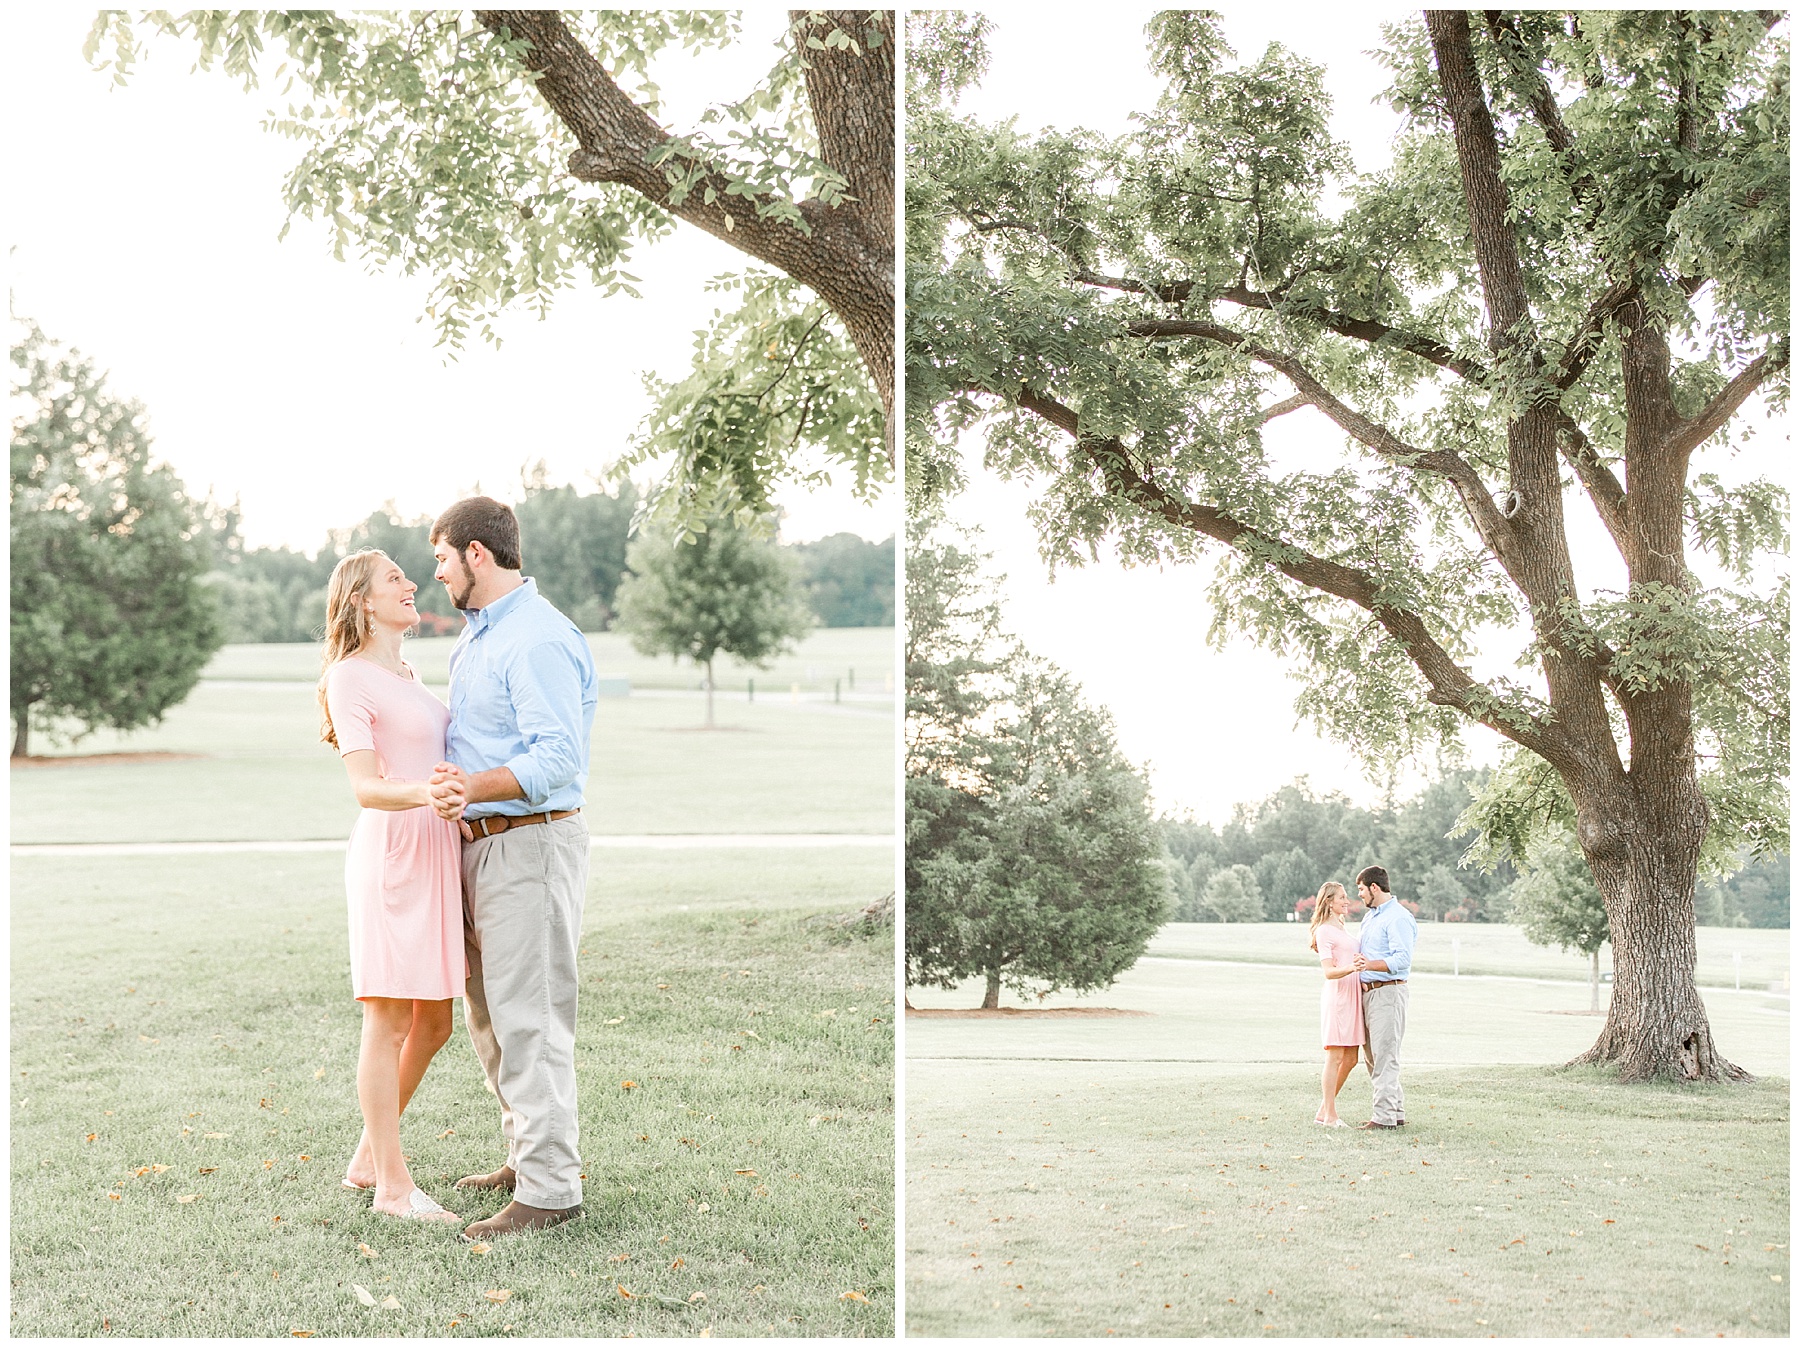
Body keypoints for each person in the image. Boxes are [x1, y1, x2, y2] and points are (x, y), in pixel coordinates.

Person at [424, 496, 599, 1240]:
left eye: (440, 559)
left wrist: (473, 788)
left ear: (476, 554)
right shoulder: (477, 639)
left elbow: (558, 756)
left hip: (529, 844)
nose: (436, 575)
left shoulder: (534, 637)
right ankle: (528, 1158)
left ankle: (551, 1193)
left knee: (531, 1021)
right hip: (480, 849)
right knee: (492, 1019)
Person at [319, 549, 465, 1224]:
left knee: (434, 1022)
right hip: (392, 854)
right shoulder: (349, 678)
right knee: (386, 1018)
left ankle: (365, 1157)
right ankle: (392, 1188)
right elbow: (366, 787)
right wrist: (425, 792)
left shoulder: (407, 672)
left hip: (434, 851)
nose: (411, 585)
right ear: (362, 602)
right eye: (395, 580)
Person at [1352, 864, 1416, 1129]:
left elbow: (1402, 959)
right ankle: (1395, 1113)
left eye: (1361, 890)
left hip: (1388, 993)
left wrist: (1369, 965)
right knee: (1373, 1057)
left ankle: (1383, 1119)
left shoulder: (1397, 917)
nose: (1359, 895)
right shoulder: (1372, 917)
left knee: (1385, 1056)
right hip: (1369, 994)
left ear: (1374, 888)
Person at [1308, 880, 1361, 1126]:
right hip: (1338, 998)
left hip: (1353, 996)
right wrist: (1353, 967)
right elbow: (1329, 972)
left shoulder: (1340, 927)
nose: (1347, 900)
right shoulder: (1324, 931)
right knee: (1335, 1057)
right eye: (1342, 897)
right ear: (1329, 901)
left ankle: (1323, 1110)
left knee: (1351, 1058)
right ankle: (1330, 1115)